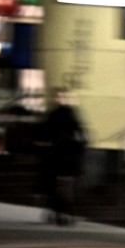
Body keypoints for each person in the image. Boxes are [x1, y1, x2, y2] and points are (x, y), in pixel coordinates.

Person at [38, 88, 88, 226]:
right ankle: (64, 212)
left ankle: (58, 212)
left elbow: (44, 132)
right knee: (65, 186)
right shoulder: (70, 115)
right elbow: (81, 132)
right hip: (66, 154)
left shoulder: (56, 114)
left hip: (60, 154)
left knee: (58, 185)